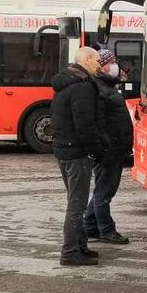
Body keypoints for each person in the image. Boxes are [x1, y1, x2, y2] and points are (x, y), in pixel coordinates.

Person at [50, 46, 108, 266]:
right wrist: (97, 150)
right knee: (77, 205)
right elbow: (86, 125)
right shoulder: (82, 88)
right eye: (97, 60)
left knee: (75, 201)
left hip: (65, 150)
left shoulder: (66, 84)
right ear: (87, 60)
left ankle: (80, 247)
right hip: (76, 153)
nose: (100, 65)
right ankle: (71, 252)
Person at [83, 49, 133, 244]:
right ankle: (106, 230)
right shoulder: (100, 89)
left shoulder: (107, 86)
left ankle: (89, 225)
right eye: (109, 63)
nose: (114, 66)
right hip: (109, 150)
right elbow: (99, 123)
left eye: (115, 62)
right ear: (100, 67)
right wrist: (105, 147)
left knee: (102, 190)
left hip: (114, 148)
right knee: (105, 192)